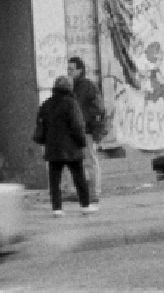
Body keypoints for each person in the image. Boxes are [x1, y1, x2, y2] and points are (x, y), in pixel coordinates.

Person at [33, 74, 97, 216]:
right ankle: (85, 205)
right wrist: (81, 142)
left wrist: (44, 141)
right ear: (69, 88)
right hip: (71, 148)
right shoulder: (71, 103)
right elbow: (78, 125)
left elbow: (41, 125)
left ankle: (57, 209)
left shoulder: (46, 104)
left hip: (53, 147)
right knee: (79, 177)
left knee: (55, 180)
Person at [68, 55, 106, 204]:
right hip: (76, 130)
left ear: (80, 70)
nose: (69, 72)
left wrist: (90, 123)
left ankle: (95, 192)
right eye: (68, 69)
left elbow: (99, 108)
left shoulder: (88, 86)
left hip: (87, 129)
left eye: (72, 69)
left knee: (90, 160)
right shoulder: (73, 87)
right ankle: (78, 191)